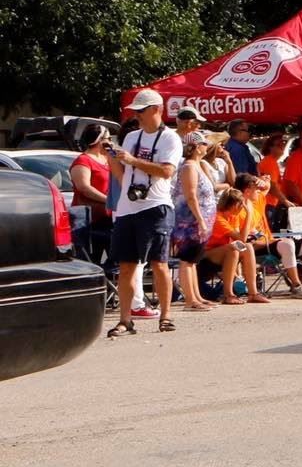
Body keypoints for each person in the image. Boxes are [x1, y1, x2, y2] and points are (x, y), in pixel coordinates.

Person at [107, 89, 181, 337]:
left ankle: (166, 316)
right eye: (135, 111)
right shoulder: (131, 138)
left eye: (141, 110)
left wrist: (132, 161)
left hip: (156, 206)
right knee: (126, 265)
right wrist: (121, 170)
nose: (137, 115)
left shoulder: (170, 138)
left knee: (159, 264)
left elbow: (167, 171)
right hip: (129, 207)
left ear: (156, 109)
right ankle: (125, 320)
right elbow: (123, 168)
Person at [238, 174, 302, 300]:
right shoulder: (238, 208)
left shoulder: (257, 199)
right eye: (256, 189)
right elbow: (243, 240)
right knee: (287, 244)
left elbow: (268, 186)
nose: (259, 191)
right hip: (256, 247)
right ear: (247, 191)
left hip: (270, 243)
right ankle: (296, 285)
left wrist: (262, 182)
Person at [170, 131, 219, 312]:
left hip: (200, 221)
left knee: (193, 260)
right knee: (187, 259)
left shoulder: (198, 166)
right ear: (196, 147)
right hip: (189, 221)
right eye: (204, 144)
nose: (207, 146)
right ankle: (190, 299)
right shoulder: (189, 167)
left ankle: (197, 296)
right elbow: (191, 196)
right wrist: (200, 219)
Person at [203, 187, 269, 305]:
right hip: (207, 254)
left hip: (223, 250)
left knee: (247, 247)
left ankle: (253, 293)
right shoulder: (218, 218)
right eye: (241, 204)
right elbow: (241, 238)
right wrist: (249, 214)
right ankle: (228, 294)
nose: (242, 207)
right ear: (234, 205)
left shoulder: (233, 217)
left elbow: (242, 240)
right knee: (233, 249)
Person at [69, 124, 113, 231]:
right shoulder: (83, 160)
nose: (111, 142)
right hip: (90, 220)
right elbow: (84, 188)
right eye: (109, 139)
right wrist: (108, 201)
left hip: (109, 217)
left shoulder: (108, 158)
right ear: (99, 140)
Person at [257, 133, 294, 231]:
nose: (282, 147)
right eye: (279, 145)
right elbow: (272, 186)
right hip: (268, 204)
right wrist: (285, 201)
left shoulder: (272, 162)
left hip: (271, 204)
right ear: (270, 147)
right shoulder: (269, 163)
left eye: (283, 144)